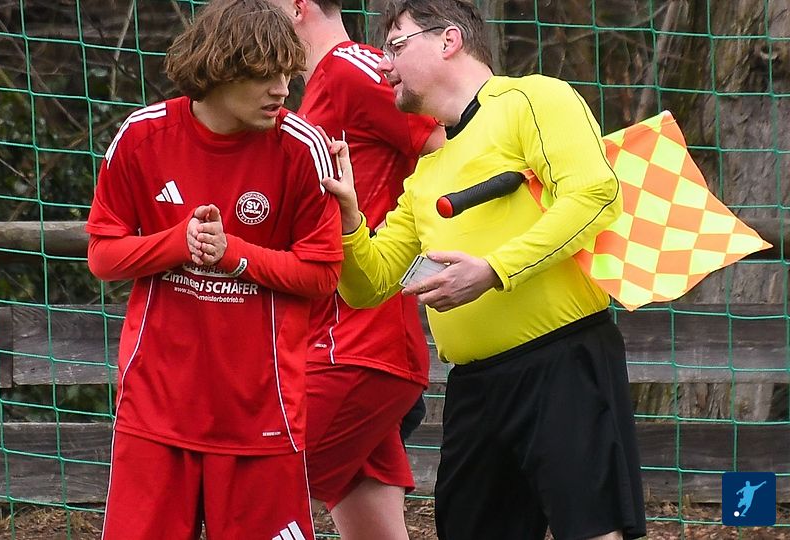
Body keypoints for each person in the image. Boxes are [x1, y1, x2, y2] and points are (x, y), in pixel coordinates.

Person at [320, 1, 647, 539]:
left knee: (593, 529)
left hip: (563, 363)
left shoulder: (533, 98)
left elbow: (595, 194)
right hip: (473, 387)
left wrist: (494, 270)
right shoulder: (426, 174)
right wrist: (351, 219)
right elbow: (368, 284)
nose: (384, 64)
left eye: (396, 45)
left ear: (448, 41)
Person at [84, 1, 342, 538]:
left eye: (287, 74)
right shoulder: (141, 137)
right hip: (155, 412)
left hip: (261, 415)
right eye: (265, 75)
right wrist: (177, 243)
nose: (282, 90)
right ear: (220, 69)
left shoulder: (304, 148)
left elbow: (322, 275)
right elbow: (103, 255)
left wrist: (236, 255)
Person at [268, 1, 444, 538]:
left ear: (297, 6)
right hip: (330, 334)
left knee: (256, 482)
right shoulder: (315, 90)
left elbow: (457, 144)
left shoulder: (356, 69)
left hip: (360, 344)